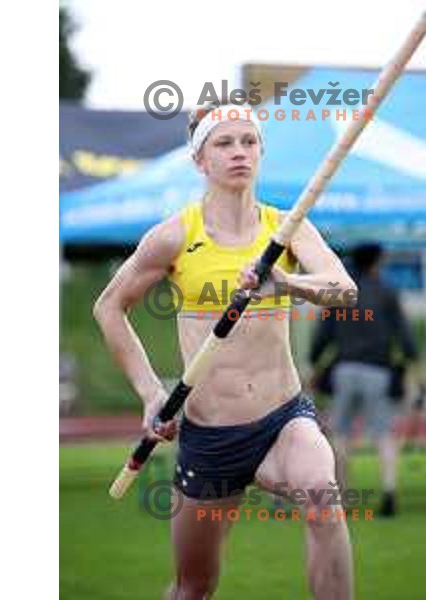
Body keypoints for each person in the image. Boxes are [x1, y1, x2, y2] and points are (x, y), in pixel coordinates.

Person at [93, 103, 358, 600]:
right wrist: (151, 394)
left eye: (249, 142)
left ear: (261, 151)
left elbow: (345, 290)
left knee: (323, 495)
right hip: (210, 438)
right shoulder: (175, 236)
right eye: (224, 143)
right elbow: (109, 308)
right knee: (195, 586)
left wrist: (286, 284)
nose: (239, 152)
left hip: (283, 419)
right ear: (200, 161)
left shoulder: (287, 228)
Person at [309, 243, 424, 517]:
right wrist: (414, 365)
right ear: (376, 262)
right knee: (384, 434)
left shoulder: (340, 292)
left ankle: (343, 497)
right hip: (378, 370)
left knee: (341, 435)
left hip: (344, 370)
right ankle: (389, 491)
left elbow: (323, 335)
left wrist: (314, 364)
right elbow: (404, 335)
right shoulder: (388, 292)